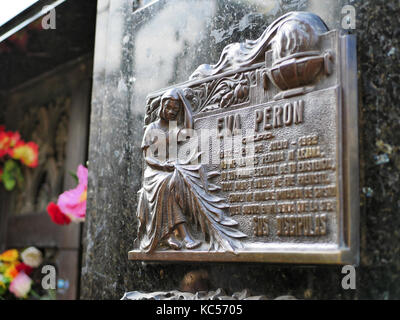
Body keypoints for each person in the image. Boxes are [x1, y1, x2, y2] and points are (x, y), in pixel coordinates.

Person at [136, 88, 246, 253]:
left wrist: (183, 100)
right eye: (169, 108)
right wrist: (163, 166)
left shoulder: (174, 128)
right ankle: (181, 234)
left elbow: (189, 126)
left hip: (170, 167)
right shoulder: (152, 128)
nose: (172, 111)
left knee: (183, 176)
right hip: (154, 172)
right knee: (166, 182)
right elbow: (147, 158)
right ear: (162, 108)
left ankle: (176, 233)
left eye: (176, 109)